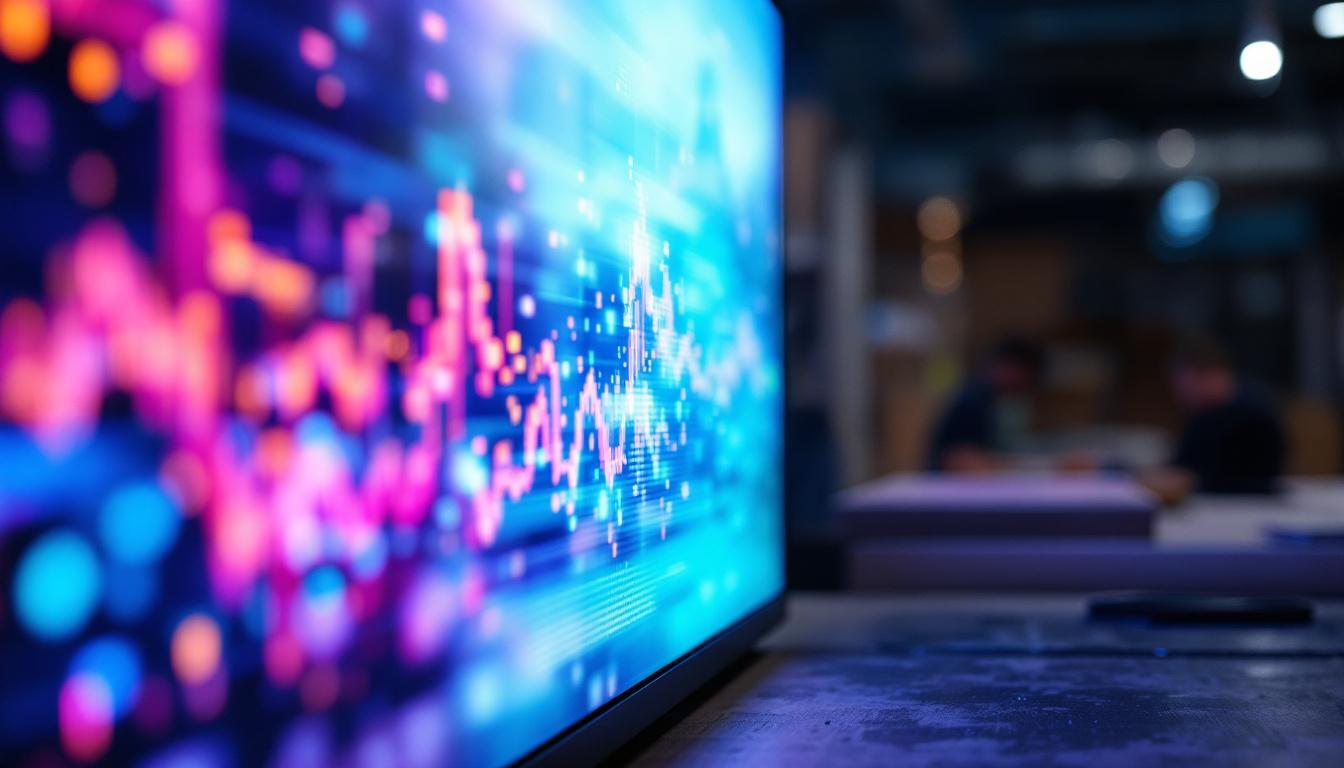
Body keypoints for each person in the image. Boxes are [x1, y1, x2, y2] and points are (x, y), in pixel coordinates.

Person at [1143, 338, 1285, 502]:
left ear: (1209, 374)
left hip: (1242, 506)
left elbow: (1220, 477)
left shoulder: (1250, 415)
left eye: (1183, 382)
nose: (1179, 392)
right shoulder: (1206, 414)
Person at [927, 337, 1043, 472]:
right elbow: (960, 459)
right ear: (1009, 367)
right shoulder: (973, 400)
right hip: (945, 479)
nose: (1024, 387)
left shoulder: (988, 397)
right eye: (1026, 378)